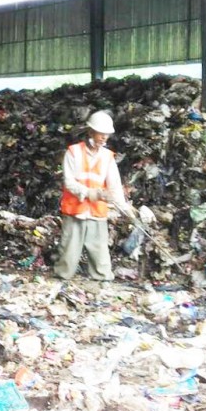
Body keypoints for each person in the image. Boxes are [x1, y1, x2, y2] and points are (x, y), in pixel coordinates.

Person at [54, 110, 134, 282]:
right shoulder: (73, 152)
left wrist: (124, 208)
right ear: (90, 131)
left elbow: (114, 186)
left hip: (97, 212)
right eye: (101, 133)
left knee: (99, 252)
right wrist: (91, 193)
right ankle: (62, 278)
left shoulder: (107, 157)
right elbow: (69, 182)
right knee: (69, 251)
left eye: (107, 134)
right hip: (75, 210)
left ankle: (102, 280)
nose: (104, 137)